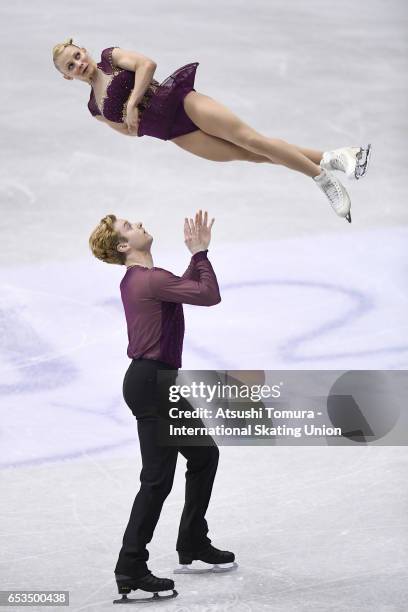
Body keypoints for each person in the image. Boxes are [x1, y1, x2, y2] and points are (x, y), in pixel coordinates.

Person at [53, 39, 372, 223]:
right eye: (70, 66)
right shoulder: (94, 109)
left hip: (182, 103)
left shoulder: (111, 58)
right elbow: (125, 130)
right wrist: (129, 124)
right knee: (250, 154)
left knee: (252, 140)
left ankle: (321, 177)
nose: (78, 63)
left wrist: (134, 101)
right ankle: (336, 157)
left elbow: (147, 64)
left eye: (77, 55)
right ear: (68, 78)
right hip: (172, 133)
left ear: (84, 50)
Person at [89, 210, 236, 603]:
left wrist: (195, 257)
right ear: (123, 246)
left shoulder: (143, 279)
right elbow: (208, 294)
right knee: (157, 479)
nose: (136, 224)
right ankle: (131, 566)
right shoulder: (150, 279)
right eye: (127, 227)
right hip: (153, 384)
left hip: (156, 382)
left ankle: (192, 542)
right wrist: (202, 253)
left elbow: (185, 287)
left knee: (204, 455)